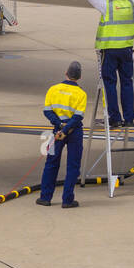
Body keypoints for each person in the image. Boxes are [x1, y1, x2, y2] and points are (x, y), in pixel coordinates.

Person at [86, 0, 134, 129]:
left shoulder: (107, 6)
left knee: (110, 84)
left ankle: (114, 118)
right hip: (127, 50)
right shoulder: (132, 3)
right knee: (127, 83)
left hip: (110, 51)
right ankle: (129, 118)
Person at [38, 61, 88, 208]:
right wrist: (66, 129)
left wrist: (59, 126)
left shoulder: (53, 89)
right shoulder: (81, 94)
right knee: (73, 165)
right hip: (74, 132)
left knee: (51, 164)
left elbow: (47, 111)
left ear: (66, 73)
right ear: (79, 77)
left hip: (55, 131)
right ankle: (67, 200)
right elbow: (78, 116)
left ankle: (45, 198)